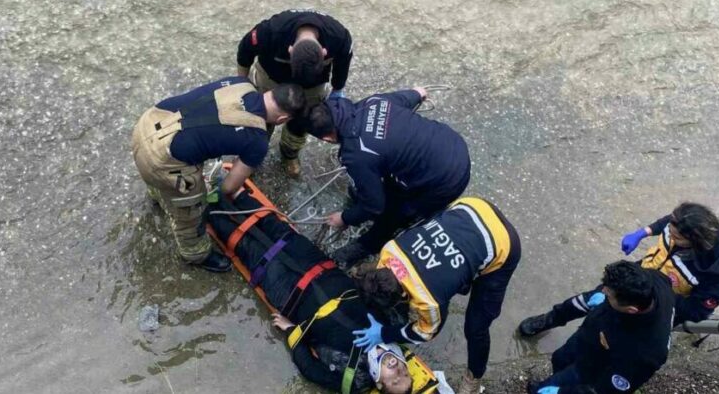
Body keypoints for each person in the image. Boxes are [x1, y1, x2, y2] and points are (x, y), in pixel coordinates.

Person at [206, 186, 450, 393]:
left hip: (291, 295)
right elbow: (389, 293)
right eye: (404, 374)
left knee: (247, 247)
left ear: (380, 383)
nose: (397, 371)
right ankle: (235, 190)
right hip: (322, 269)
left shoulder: (355, 380)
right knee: (278, 230)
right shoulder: (396, 328)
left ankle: (205, 206)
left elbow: (310, 369)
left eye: (394, 381)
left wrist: (292, 332)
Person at [131, 77, 304, 272]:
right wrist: (210, 193)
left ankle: (158, 194)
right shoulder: (257, 140)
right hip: (161, 160)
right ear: (282, 120)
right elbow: (228, 187)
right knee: (191, 209)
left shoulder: (240, 82)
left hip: (148, 123)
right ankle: (195, 254)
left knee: (166, 170)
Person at [350, 197, 521, 394]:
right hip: (472, 207)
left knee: (476, 327)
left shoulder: (429, 300)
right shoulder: (390, 249)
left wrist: (385, 334)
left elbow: (426, 332)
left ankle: (473, 379)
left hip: (503, 242)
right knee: (451, 278)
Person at [304, 87, 471, 265]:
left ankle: (367, 245)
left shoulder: (356, 154)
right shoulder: (373, 102)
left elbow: (374, 205)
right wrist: (418, 93)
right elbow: (414, 95)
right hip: (454, 144)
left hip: (444, 181)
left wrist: (344, 218)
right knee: (382, 175)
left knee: (395, 212)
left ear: (328, 139)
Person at [518, 202, 719, 336]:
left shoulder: (714, 276)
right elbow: (667, 224)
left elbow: (696, 311)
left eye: (677, 236)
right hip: (639, 275)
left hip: (651, 304)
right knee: (587, 300)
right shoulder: (679, 227)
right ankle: (549, 319)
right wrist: (643, 232)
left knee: (608, 332)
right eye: (671, 230)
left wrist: (653, 299)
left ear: (694, 241)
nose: (670, 235)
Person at [236, 9, 354, 177]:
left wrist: (337, 90)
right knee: (261, 118)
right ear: (290, 50)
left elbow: (343, 64)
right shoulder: (270, 31)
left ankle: (289, 154)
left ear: (324, 52)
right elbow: (244, 51)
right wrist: (241, 82)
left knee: (301, 122)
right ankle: (252, 155)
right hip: (271, 79)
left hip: (312, 87)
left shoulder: (340, 37)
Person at [526, 261, 674, 394]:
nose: (603, 292)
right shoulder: (653, 280)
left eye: (609, 295)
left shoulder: (645, 353)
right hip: (589, 335)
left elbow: (606, 390)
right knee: (559, 358)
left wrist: (563, 392)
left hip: (593, 367)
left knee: (560, 382)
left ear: (631, 310)